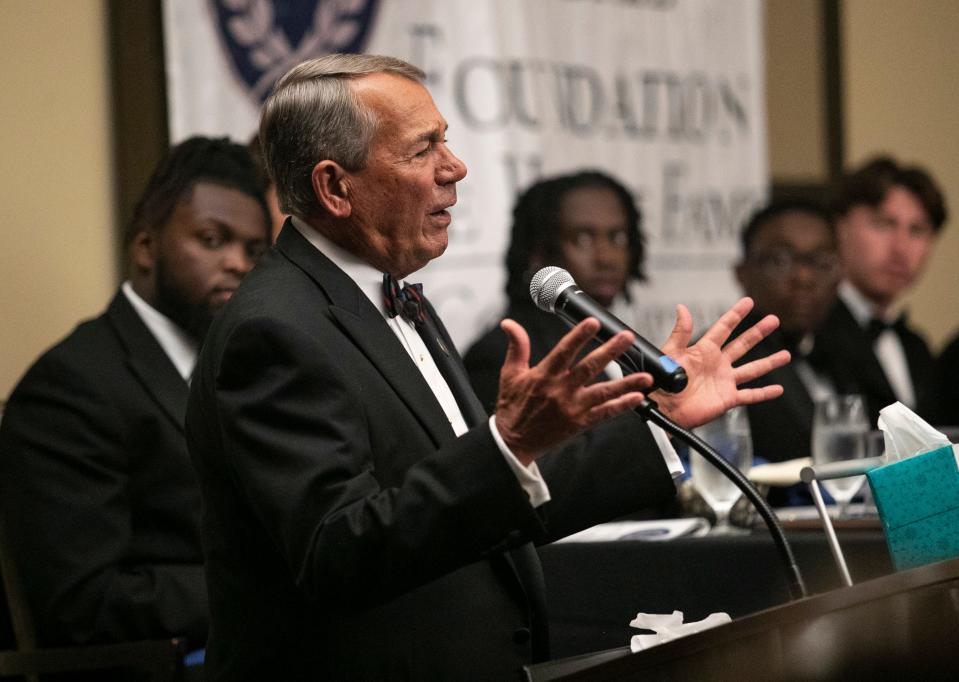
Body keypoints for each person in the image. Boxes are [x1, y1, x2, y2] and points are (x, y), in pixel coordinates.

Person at [185, 54, 788, 680]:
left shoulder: (389, 294)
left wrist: (658, 420)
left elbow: (494, 500)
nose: (456, 167)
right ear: (336, 187)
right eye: (422, 151)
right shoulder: (274, 330)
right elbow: (339, 552)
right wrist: (508, 447)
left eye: (445, 140)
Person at [0, 137, 270, 651]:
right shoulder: (71, 387)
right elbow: (82, 602)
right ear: (145, 247)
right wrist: (263, 593)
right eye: (213, 240)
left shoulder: (248, 369)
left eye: (254, 252)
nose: (237, 263)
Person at [464, 170, 645, 412]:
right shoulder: (501, 357)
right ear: (537, 252)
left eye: (618, 237)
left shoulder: (625, 348)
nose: (606, 258)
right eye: (583, 239)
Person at [818, 156, 948, 425]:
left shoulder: (917, 347)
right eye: (883, 224)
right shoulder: (812, 335)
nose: (901, 248)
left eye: (917, 230)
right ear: (840, 227)